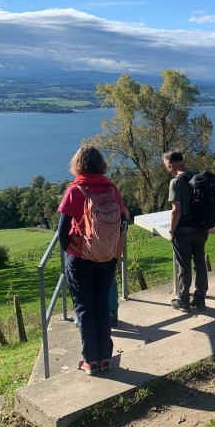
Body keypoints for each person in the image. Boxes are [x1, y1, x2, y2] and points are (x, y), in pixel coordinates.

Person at [57, 145, 128, 376]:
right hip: (106, 257)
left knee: (85, 307)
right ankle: (105, 359)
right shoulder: (111, 187)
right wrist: (111, 249)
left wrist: (73, 252)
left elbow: (62, 230)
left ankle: (90, 360)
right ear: (100, 163)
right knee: (101, 306)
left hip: (81, 258)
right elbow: (124, 221)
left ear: (78, 164)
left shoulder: (76, 190)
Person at [163, 150, 208, 312]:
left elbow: (176, 209)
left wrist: (171, 230)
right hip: (201, 228)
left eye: (166, 165)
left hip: (184, 230)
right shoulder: (197, 176)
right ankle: (200, 298)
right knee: (200, 263)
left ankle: (183, 300)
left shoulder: (176, 182)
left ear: (170, 164)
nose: (166, 168)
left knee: (184, 266)